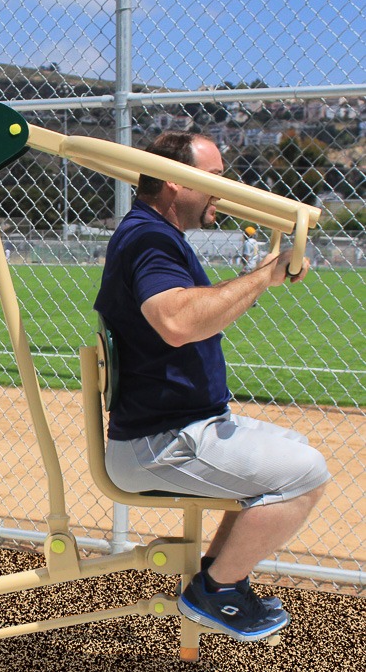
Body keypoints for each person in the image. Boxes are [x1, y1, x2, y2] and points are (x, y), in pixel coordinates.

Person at [94, 131, 329, 643]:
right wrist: (261, 278)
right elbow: (178, 322)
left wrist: (260, 277)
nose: (224, 190)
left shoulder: (155, 233)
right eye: (215, 178)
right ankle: (216, 590)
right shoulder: (150, 239)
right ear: (176, 183)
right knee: (306, 473)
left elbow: (196, 313)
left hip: (176, 428)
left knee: (294, 450)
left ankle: (219, 581)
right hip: (161, 441)